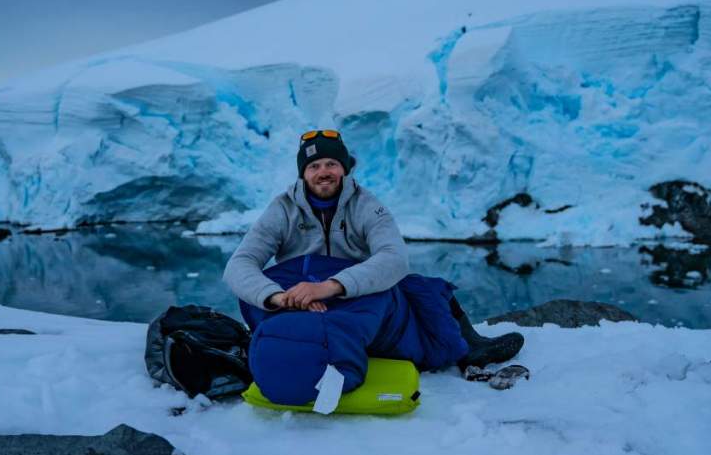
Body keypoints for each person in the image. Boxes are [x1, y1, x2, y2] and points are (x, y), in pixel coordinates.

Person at [223, 129, 523, 372]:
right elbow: (240, 265)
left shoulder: (367, 205)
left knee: (423, 288)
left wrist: (330, 287)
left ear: (344, 169)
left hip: (352, 298)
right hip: (298, 301)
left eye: (331, 164)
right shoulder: (282, 209)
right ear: (303, 174)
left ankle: (468, 346)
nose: (323, 172)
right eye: (313, 166)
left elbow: (394, 258)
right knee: (417, 294)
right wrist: (280, 297)